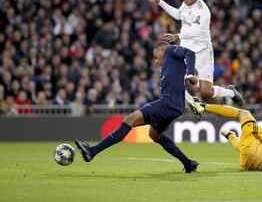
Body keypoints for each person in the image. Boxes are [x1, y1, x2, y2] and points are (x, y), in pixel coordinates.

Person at [75, 41, 199, 173]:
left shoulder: (169, 50)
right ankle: (188, 163)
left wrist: (191, 74)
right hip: (175, 107)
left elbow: (189, 52)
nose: (156, 61)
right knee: (154, 135)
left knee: (129, 120)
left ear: (162, 50)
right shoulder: (170, 65)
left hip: (168, 103)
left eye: (156, 56)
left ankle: (92, 151)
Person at [148, 0, 243, 105]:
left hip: (202, 51)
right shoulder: (185, 5)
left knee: (206, 91)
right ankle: (193, 103)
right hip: (186, 51)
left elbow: (196, 31)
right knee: (174, 78)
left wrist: (178, 36)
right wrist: (160, 1)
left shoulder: (202, 10)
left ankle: (231, 92)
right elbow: (177, 14)